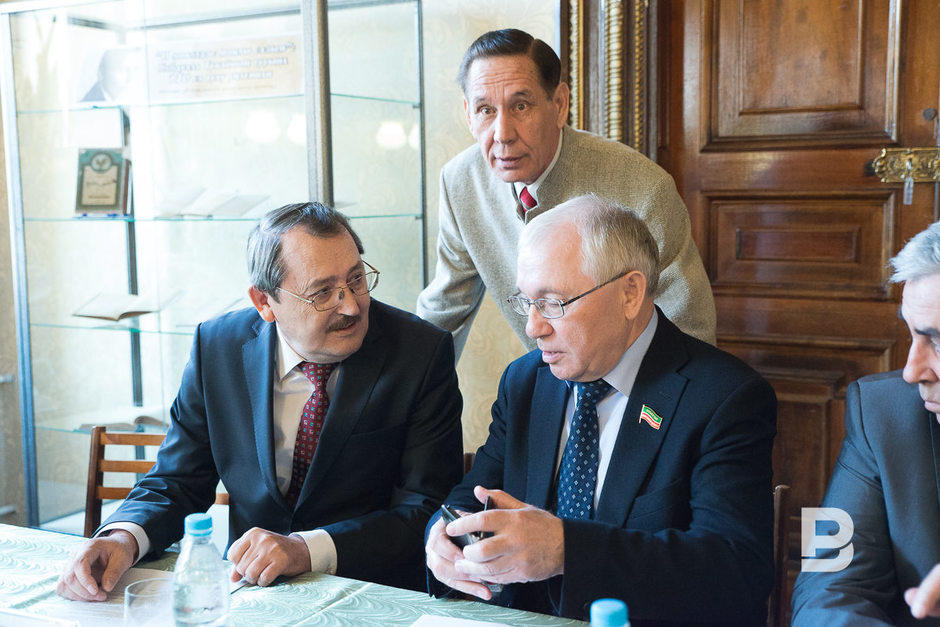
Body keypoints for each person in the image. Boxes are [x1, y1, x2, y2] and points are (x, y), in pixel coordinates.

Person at [57, 202, 463, 601]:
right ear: (265, 302)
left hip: (371, 592)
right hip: (250, 591)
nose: (351, 305)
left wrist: (305, 550)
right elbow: (178, 480)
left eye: (356, 279)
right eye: (323, 292)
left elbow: (427, 509)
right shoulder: (217, 348)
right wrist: (123, 537)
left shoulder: (420, 354)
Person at [425, 194, 776, 624]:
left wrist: (565, 549)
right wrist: (441, 537)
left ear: (630, 293)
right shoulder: (525, 382)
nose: (534, 327)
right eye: (527, 302)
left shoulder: (723, 398)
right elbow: (474, 496)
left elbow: (735, 571)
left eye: (553, 303)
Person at [416, 28, 715, 358]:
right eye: (486, 110)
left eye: (521, 106)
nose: (502, 134)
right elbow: (443, 312)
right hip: (546, 379)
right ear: (468, 114)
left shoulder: (642, 187)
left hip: (634, 381)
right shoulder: (460, 182)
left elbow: (690, 335)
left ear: (559, 104)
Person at [791, 221, 940, 625]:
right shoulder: (879, 413)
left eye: (938, 342)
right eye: (912, 334)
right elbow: (823, 586)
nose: (912, 371)